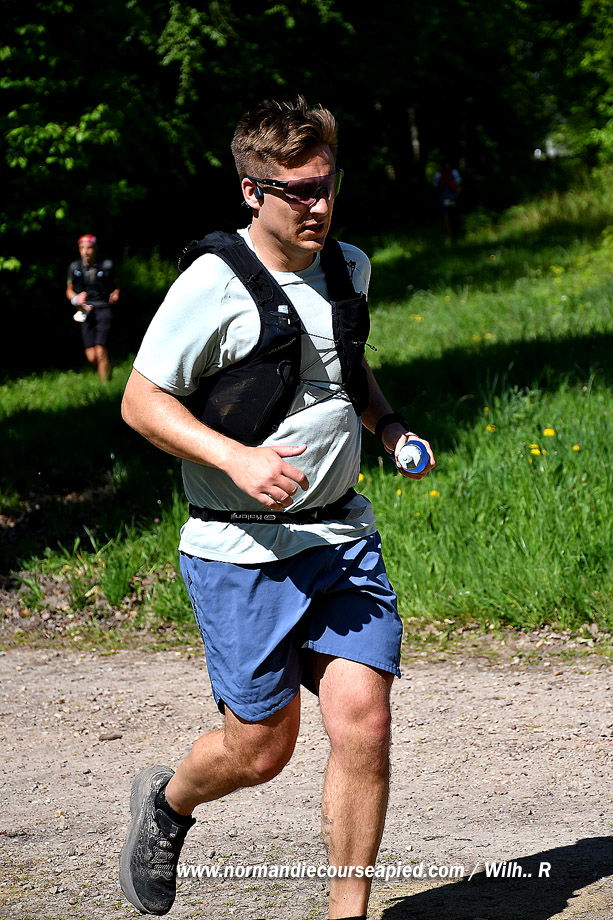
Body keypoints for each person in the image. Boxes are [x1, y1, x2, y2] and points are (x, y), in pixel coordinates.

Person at [118, 96, 435, 920]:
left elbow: (344, 367)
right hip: (241, 549)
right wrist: (235, 458)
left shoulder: (347, 266)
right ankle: (168, 805)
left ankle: (346, 914)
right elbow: (141, 403)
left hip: (340, 535)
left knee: (364, 722)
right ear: (252, 192)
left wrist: (390, 427)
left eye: (327, 184)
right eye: (298, 191)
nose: (318, 206)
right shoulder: (210, 287)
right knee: (260, 751)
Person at [66, 233, 120, 381]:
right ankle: (108, 366)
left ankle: (105, 387)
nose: (86, 251)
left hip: (103, 308)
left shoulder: (106, 266)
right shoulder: (74, 267)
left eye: (89, 248)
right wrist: (76, 299)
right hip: (85, 311)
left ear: (95, 248)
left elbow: (116, 286)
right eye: (82, 248)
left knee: (100, 350)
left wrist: (115, 294)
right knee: (92, 356)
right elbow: (69, 290)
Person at [433, 160, 462, 242]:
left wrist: (456, 197)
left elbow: (458, 186)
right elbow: (435, 189)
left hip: (453, 198)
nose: (446, 166)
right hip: (443, 199)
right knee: (445, 218)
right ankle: (447, 236)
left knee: (454, 218)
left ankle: (455, 236)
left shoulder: (454, 173)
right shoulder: (438, 175)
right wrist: (438, 199)